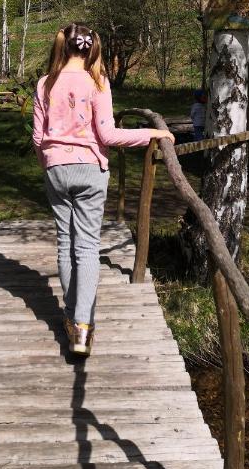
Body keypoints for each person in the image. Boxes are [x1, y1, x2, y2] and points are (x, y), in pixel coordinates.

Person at [32, 22, 175, 356]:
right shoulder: (97, 83)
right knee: (86, 247)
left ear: (62, 46)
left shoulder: (44, 84)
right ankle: (82, 326)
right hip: (90, 171)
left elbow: (38, 138)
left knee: (65, 244)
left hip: (55, 168)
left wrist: (49, 164)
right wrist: (152, 135)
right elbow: (108, 135)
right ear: (89, 48)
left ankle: (71, 316)